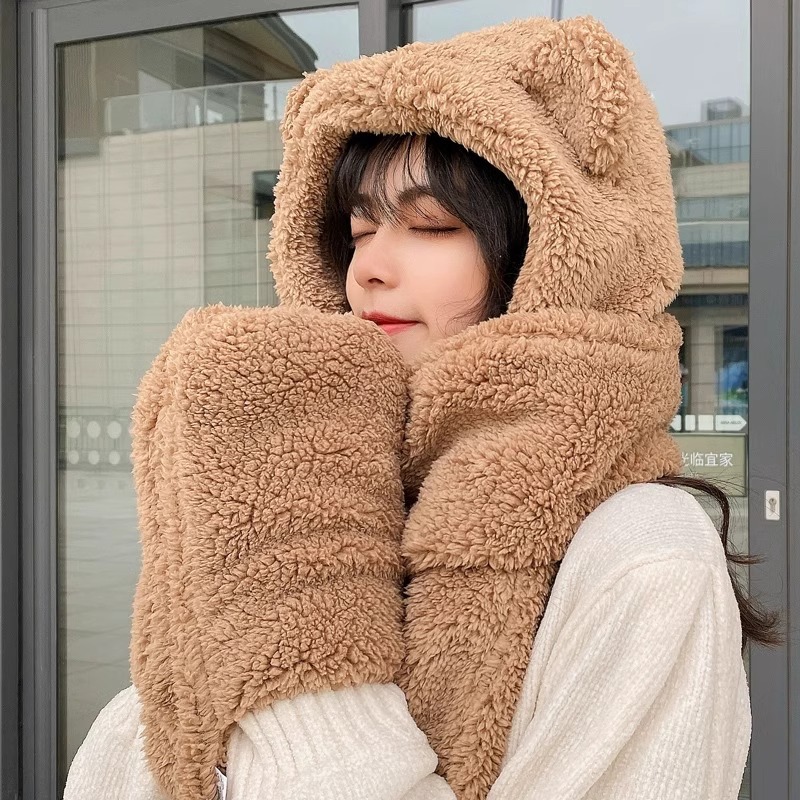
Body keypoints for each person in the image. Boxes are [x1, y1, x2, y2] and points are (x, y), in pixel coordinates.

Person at [65, 15, 777, 800]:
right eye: (359, 228)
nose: (369, 267)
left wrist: (304, 665)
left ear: (548, 258)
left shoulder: (645, 558)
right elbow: (139, 750)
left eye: (432, 226)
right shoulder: (314, 486)